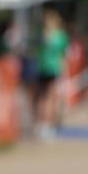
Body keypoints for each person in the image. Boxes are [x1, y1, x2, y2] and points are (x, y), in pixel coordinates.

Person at [32, 9, 68, 141]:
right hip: (49, 69)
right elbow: (62, 56)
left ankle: (44, 125)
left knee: (45, 98)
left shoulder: (53, 36)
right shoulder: (56, 36)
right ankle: (45, 125)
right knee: (47, 98)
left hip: (48, 69)